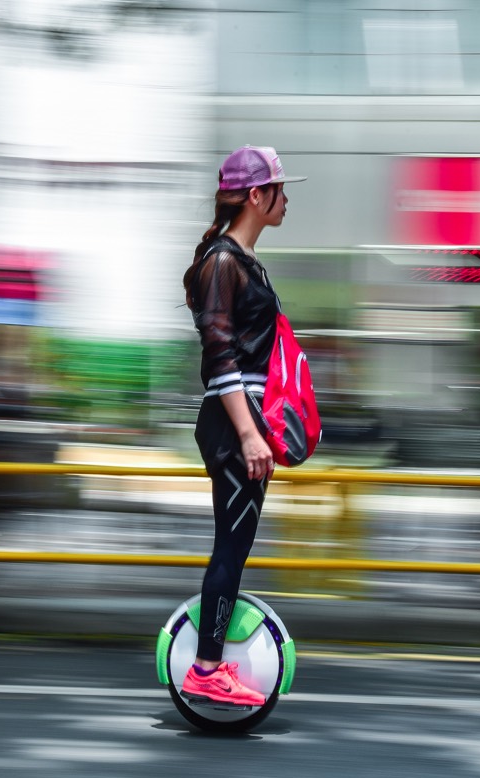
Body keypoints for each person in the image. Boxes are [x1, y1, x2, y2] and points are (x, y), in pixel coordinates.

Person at [180, 145, 305, 707]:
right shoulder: (223, 262)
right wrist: (251, 434)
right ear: (257, 196)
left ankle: (211, 660)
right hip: (235, 423)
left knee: (236, 546)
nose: (287, 199)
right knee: (229, 549)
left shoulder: (241, 261)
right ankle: (207, 667)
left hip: (244, 420)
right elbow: (221, 357)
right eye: (281, 188)